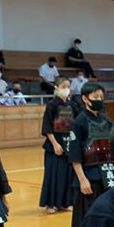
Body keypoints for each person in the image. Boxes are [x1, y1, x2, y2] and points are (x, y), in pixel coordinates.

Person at [68, 83, 114, 227]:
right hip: (90, 177)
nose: (99, 100)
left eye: (101, 97)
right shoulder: (79, 123)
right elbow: (75, 156)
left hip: (109, 176)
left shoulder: (107, 121)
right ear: (85, 99)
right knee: (87, 218)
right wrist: (82, 180)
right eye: (95, 97)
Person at [40, 79, 76, 214]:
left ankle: (65, 203)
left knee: (67, 174)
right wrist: (55, 144)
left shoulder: (73, 104)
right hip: (54, 143)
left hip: (69, 143)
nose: (66, 89)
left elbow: (76, 124)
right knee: (53, 174)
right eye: (63, 86)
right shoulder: (52, 105)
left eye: (68, 87)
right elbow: (47, 127)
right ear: (56, 87)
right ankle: (50, 204)